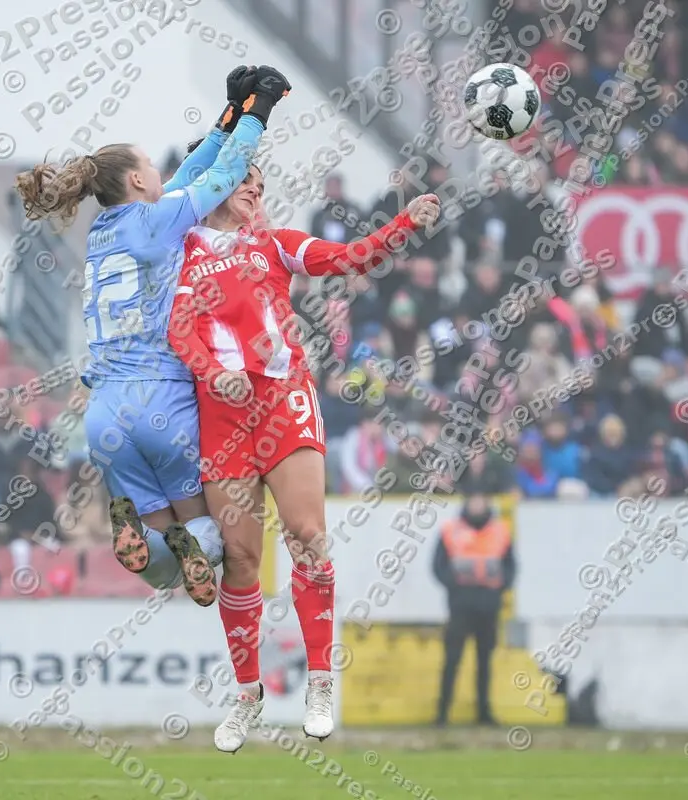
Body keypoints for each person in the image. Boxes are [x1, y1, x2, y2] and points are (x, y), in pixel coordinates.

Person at [167, 159, 440, 751]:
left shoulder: (275, 243)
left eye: (262, 185)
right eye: (245, 181)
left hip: (281, 400)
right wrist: (213, 374)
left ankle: (319, 681)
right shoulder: (181, 249)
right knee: (240, 558)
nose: (256, 191)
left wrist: (404, 225)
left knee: (308, 534)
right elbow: (179, 331)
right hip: (221, 414)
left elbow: (348, 258)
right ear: (216, 185)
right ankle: (248, 695)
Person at [14, 64, 292, 607]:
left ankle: (137, 539)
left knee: (164, 565)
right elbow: (222, 175)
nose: (161, 172)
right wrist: (258, 113)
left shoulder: (101, 233)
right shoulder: (156, 221)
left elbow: (188, 175)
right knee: (213, 534)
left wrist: (227, 116)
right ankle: (179, 545)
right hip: (161, 396)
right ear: (138, 181)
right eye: (149, 166)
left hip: (105, 412)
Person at [432, 491, 516, 727]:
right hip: (460, 605)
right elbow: (438, 566)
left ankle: (483, 712)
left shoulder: (500, 531)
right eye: (474, 501)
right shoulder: (451, 530)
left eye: (481, 501)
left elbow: (510, 567)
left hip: (488, 605)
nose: (477, 505)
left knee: (485, 661)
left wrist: (498, 588)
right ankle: (442, 712)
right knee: (452, 659)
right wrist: (455, 586)